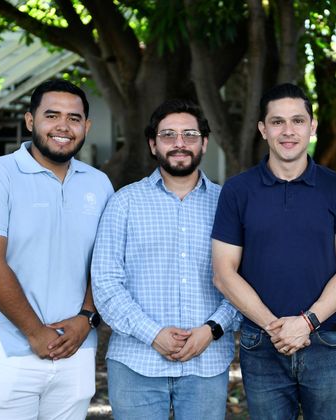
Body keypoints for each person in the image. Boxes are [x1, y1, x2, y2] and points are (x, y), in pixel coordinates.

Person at [0, 79, 114, 419]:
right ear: (30, 121)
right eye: (52, 115)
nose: (63, 126)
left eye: (74, 118)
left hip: (76, 348)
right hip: (6, 349)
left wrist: (87, 318)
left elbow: (106, 261)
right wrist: (35, 332)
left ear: (86, 127)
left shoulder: (98, 183)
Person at [211, 83, 336, 419]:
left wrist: (306, 323)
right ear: (263, 129)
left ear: (312, 126)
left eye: (297, 121)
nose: (288, 131)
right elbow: (223, 273)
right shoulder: (237, 191)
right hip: (261, 342)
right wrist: (275, 328)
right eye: (277, 122)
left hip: (325, 339)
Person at [91, 99, 238, 419]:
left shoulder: (228, 203)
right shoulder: (124, 203)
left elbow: (244, 280)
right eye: (168, 135)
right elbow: (105, 282)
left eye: (190, 135)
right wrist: (152, 334)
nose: (179, 143)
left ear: (204, 143)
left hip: (207, 362)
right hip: (135, 362)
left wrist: (212, 329)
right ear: (152, 144)